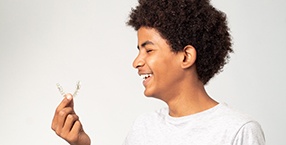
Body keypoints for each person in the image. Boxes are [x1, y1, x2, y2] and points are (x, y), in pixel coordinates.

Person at [51, 0, 265, 145]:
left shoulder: (238, 131)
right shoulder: (143, 129)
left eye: (149, 50)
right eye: (138, 50)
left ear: (185, 56)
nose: (136, 62)